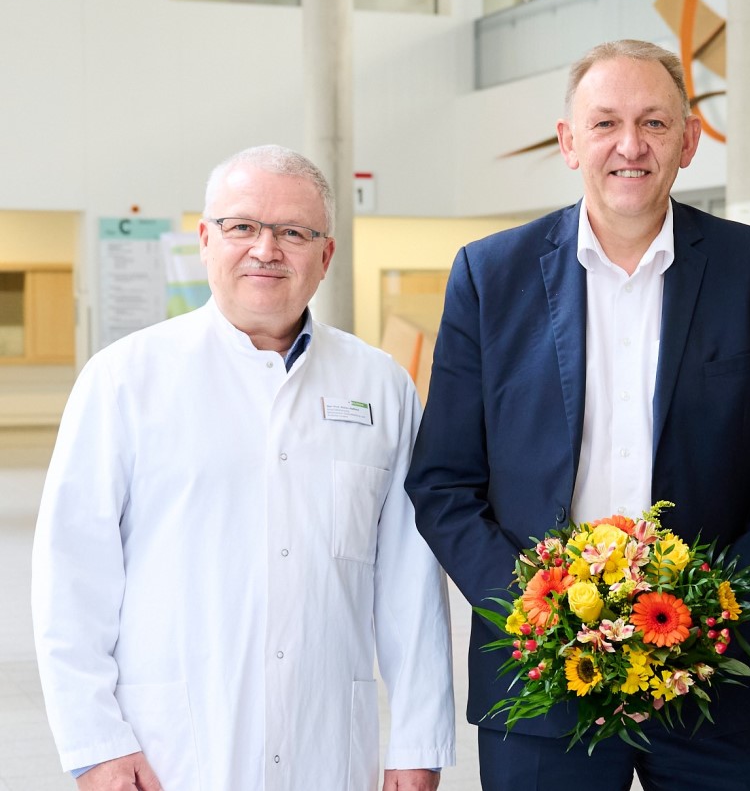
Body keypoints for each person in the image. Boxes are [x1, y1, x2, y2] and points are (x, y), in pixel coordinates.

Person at [405, 39, 750, 791]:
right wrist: (536, 613)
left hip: (719, 689)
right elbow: (443, 483)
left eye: (654, 123)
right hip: (543, 684)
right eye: (604, 123)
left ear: (689, 141)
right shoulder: (489, 275)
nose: (629, 145)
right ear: (569, 143)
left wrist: (712, 622)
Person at [32, 145, 455, 790]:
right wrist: (95, 745)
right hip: (168, 752)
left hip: (328, 748)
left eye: (294, 232)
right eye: (242, 227)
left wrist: (417, 746)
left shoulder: (381, 386)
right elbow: (72, 575)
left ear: (326, 255)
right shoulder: (125, 380)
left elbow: (410, 585)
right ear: (206, 240)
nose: (267, 249)